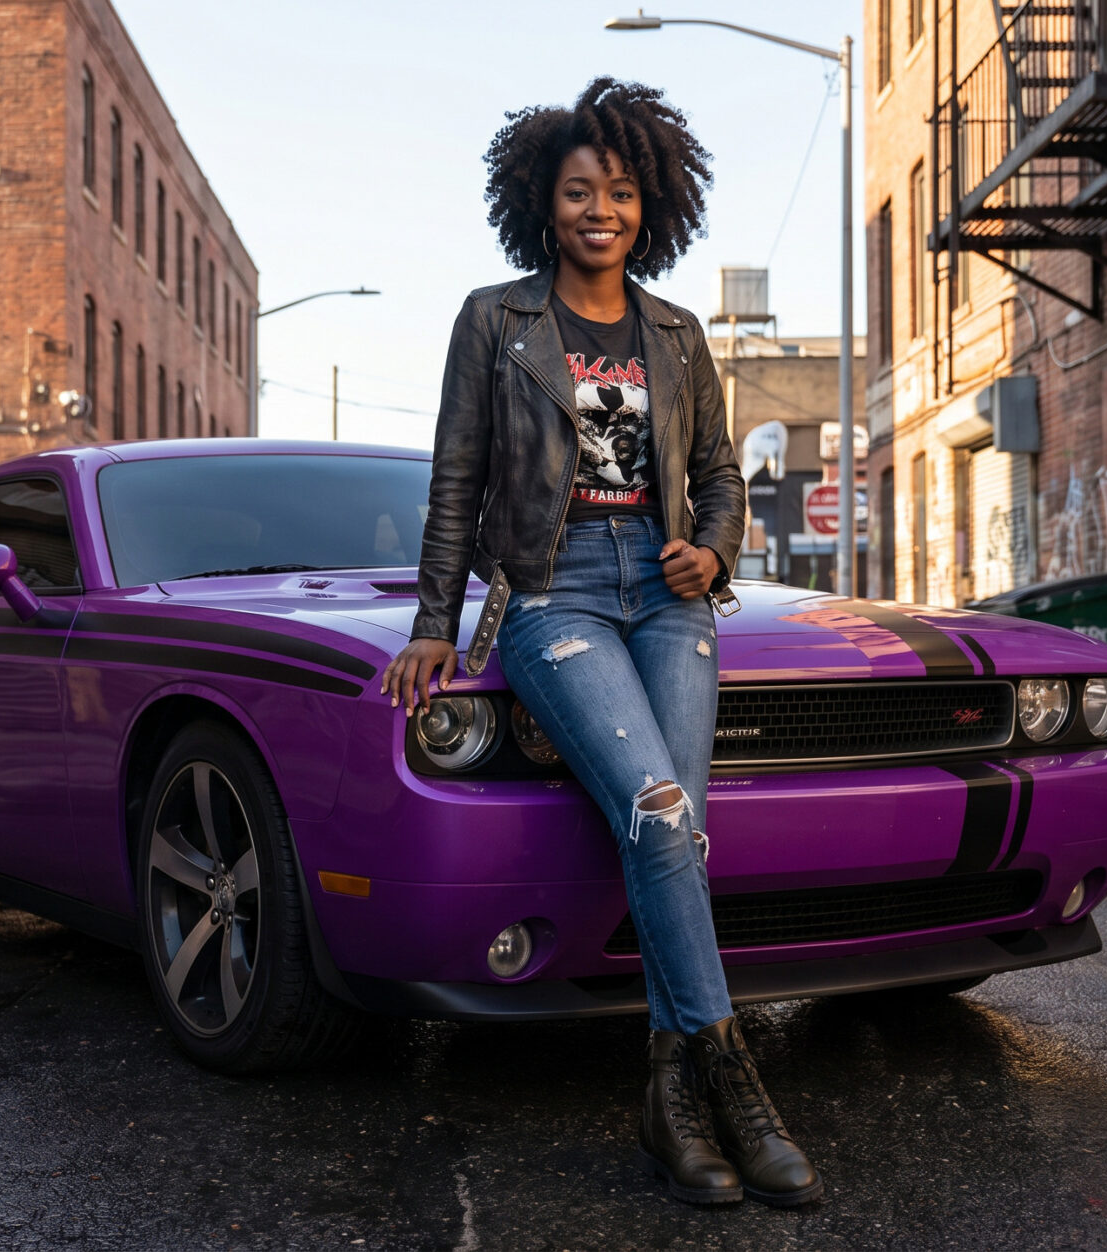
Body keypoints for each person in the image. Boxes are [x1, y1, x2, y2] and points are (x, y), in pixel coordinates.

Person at [381, 78, 822, 1209]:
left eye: (620, 192)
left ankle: (670, 1110)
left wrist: (714, 554)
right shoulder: (496, 320)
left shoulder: (675, 334)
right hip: (552, 592)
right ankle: (737, 1084)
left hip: (668, 595)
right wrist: (436, 626)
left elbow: (720, 473)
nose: (600, 209)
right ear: (542, 199)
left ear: (650, 203)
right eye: (579, 190)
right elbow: (456, 481)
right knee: (660, 810)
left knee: (677, 836)